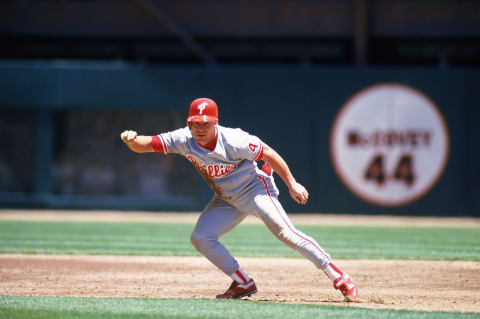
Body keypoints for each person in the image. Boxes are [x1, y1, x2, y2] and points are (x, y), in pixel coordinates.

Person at [120, 97, 358, 301]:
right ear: (189, 123)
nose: (200, 128)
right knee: (201, 237)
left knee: (286, 233)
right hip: (226, 198)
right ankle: (242, 282)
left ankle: (339, 276)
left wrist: (292, 183)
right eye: (196, 124)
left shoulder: (234, 140)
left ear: (215, 123)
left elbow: (268, 153)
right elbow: (146, 145)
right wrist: (132, 140)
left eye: (206, 124)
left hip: (255, 189)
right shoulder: (183, 139)